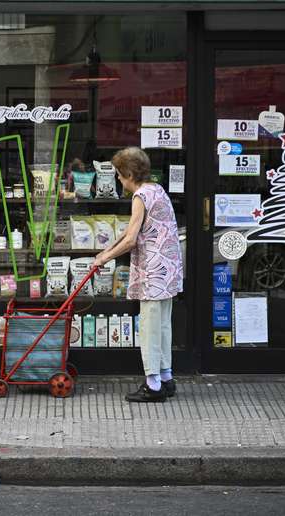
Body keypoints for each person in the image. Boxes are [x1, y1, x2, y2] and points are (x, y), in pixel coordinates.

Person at [92, 147, 183, 402]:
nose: (119, 180)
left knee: (149, 328)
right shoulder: (158, 190)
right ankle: (166, 378)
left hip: (154, 272)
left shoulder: (140, 196)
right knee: (163, 325)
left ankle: (153, 385)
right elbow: (130, 231)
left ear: (130, 173)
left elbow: (131, 239)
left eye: (120, 175)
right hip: (168, 270)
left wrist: (104, 258)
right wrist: (106, 251)